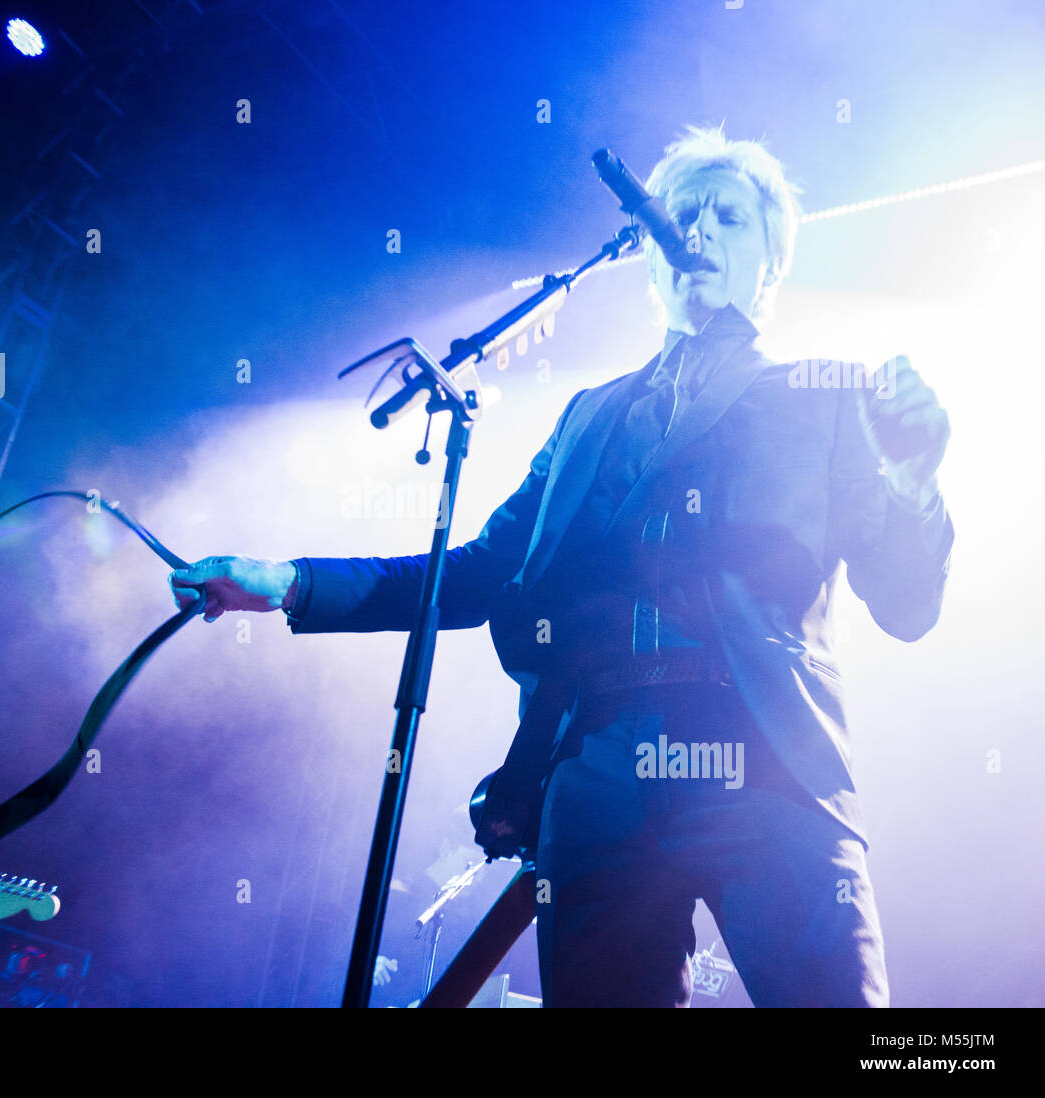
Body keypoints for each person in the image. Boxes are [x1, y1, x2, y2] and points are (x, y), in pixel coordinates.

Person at [168, 125, 953, 1006]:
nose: (697, 230)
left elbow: (908, 605)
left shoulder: (835, 396)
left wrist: (911, 483)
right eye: (683, 211)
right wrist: (290, 581)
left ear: (771, 261)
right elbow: (473, 575)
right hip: (598, 769)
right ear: (649, 256)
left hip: (763, 757)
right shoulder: (588, 417)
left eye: (729, 217)